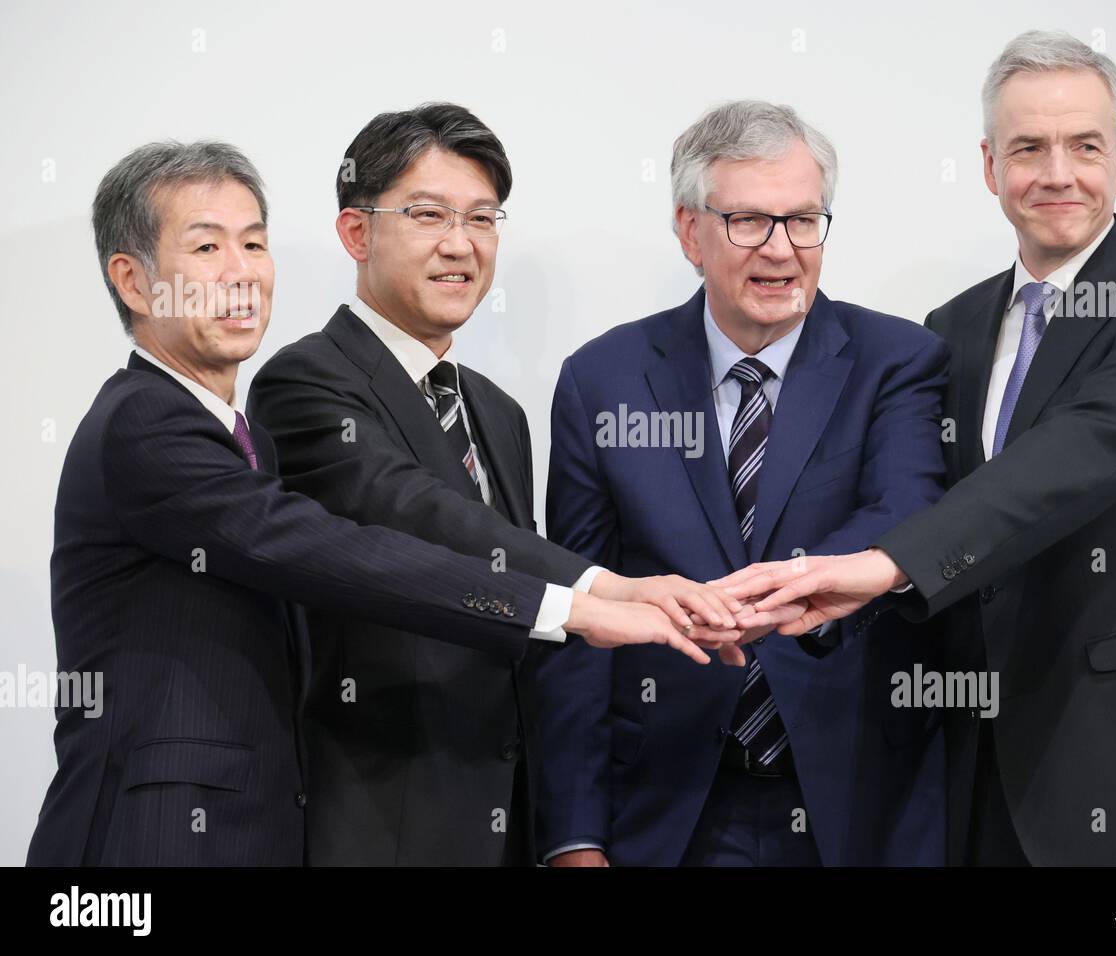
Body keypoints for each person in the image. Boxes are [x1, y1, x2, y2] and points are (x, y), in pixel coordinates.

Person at [27, 140, 736, 867]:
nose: (240, 273)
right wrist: (571, 604)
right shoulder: (145, 421)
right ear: (135, 283)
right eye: (206, 247)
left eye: (254, 243)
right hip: (153, 841)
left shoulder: (244, 441)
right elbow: (338, 550)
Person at [720, 32, 1116, 866]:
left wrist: (883, 564)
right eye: (1029, 147)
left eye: (1084, 146)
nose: (1057, 172)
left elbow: (1073, 458)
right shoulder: (951, 330)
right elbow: (919, 502)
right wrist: (799, 598)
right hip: (981, 787)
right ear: (990, 168)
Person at [531, 101, 950, 866]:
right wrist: (574, 835)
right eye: (749, 222)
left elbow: (908, 513)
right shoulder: (603, 380)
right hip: (670, 813)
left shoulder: (898, 359)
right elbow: (578, 610)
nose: (782, 250)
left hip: (857, 809)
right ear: (691, 232)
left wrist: (784, 593)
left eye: (803, 220)